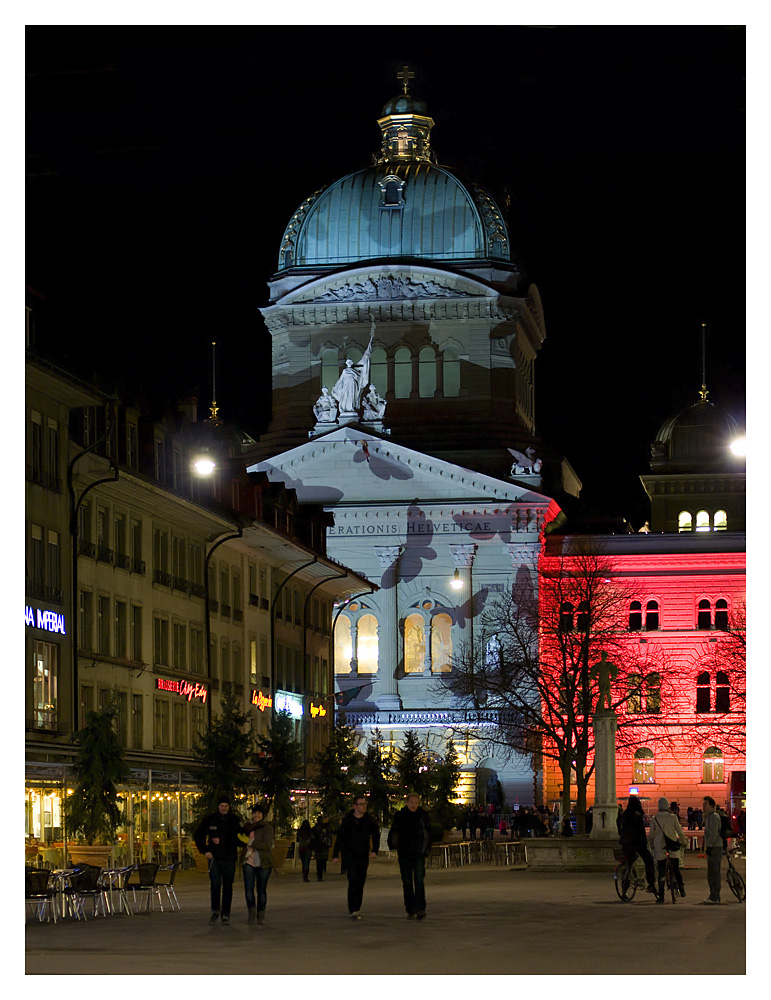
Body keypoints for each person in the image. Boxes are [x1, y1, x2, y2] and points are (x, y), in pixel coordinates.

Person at [194, 794, 244, 924]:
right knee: (215, 884)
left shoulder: (234, 820)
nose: (224, 808)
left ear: (229, 806)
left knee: (228, 886)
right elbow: (198, 835)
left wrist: (224, 841)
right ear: (218, 806)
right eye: (221, 806)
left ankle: (226, 914)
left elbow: (239, 838)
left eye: (226, 806)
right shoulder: (211, 819)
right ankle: (215, 911)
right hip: (214, 858)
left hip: (229, 857)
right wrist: (205, 851)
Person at [332, 794, 380, 919]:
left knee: (360, 882)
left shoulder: (369, 820)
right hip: (350, 855)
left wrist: (375, 850)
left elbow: (376, 834)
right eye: (361, 804)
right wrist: (336, 854)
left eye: (365, 804)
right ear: (354, 806)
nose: (364, 806)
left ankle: (357, 907)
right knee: (353, 880)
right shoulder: (347, 821)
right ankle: (353, 908)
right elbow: (340, 838)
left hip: (363, 855)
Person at [388, 792, 433, 920]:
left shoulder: (422, 816)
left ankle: (420, 908)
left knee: (419, 881)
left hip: (418, 853)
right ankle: (410, 908)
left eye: (416, 803)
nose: (413, 805)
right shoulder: (400, 815)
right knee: (407, 882)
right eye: (411, 802)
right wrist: (394, 845)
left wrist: (425, 849)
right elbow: (395, 831)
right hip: (404, 853)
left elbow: (427, 833)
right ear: (407, 803)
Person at [648, 796, 687, 902]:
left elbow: (651, 835)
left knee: (661, 872)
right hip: (672, 846)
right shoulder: (673, 817)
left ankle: (661, 896)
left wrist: (651, 844)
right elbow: (679, 831)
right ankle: (681, 887)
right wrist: (683, 842)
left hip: (660, 848)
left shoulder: (654, 818)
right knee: (676, 868)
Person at [242, 802, 274, 924]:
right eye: (254, 813)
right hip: (248, 861)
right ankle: (251, 912)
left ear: (263, 815)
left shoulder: (267, 828)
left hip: (262, 862)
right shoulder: (247, 827)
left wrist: (251, 843)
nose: (256, 815)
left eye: (259, 813)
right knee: (248, 890)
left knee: (261, 890)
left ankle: (261, 914)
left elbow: (266, 844)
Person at [618, 794, 656, 898]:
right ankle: (651, 884)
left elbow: (620, 829)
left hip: (626, 843)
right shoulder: (637, 815)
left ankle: (624, 890)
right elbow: (641, 832)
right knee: (649, 860)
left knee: (628, 865)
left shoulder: (624, 814)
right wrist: (644, 843)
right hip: (637, 843)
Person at [702, 795, 722, 904]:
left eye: (705, 804)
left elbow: (713, 833)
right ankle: (713, 894)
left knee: (714, 872)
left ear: (711, 805)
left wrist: (709, 846)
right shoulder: (708, 816)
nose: (703, 806)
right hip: (712, 847)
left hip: (715, 847)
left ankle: (715, 896)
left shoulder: (714, 817)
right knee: (711, 872)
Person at [311, 815, 333, 881]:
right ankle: (322, 871)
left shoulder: (315, 828)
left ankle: (319, 875)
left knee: (319, 861)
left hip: (318, 846)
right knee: (322, 860)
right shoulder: (324, 828)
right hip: (323, 846)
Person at [296, 819, 313, 883]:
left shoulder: (300, 832)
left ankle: (304, 874)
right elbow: (312, 839)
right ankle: (305, 876)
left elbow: (297, 840)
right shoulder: (310, 832)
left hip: (301, 848)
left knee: (303, 862)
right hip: (307, 848)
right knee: (306, 863)